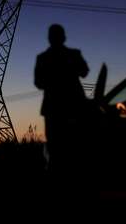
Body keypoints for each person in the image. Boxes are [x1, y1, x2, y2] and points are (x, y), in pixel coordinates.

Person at [34, 24, 89, 173]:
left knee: (57, 148)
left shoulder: (43, 58)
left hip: (55, 109)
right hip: (71, 108)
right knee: (73, 146)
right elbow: (84, 72)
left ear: (49, 38)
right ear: (63, 37)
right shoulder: (73, 55)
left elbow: (39, 83)